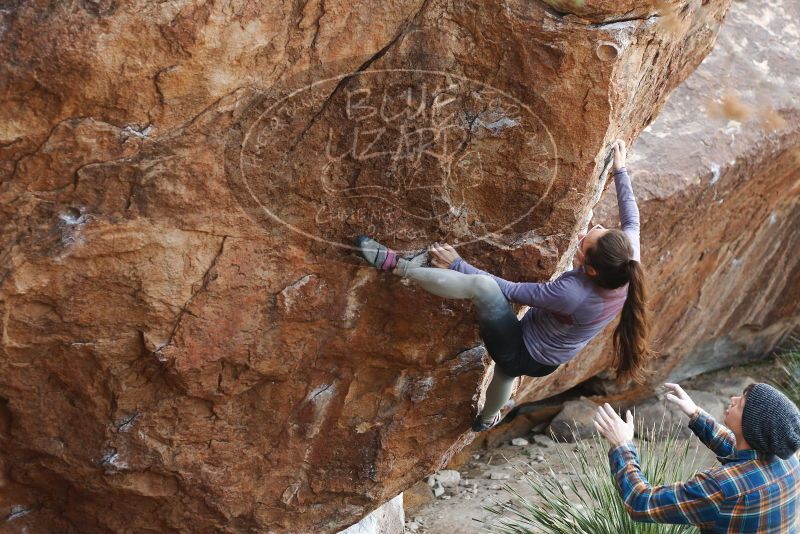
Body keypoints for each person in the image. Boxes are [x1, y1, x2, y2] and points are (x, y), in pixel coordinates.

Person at [356, 139, 653, 431]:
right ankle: (486, 419)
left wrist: (459, 265)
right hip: (548, 360)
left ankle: (399, 266)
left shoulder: (572, 294)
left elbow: (508, 290)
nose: (591, 230)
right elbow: (632, 220)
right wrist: (620, 169)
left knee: (482, 291)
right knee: (505, 374)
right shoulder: (627, 260)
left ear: (589, 269)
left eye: (582, 243)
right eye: (597, 230)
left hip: (522, 349)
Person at [594, 383, 800, 533]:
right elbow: (737, 448)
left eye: (741, 404)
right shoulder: (788, 459)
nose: (733, 400)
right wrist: (695, 414)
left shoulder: (722, 487)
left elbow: (641, 502)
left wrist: (623, 446)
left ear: (752, 428)